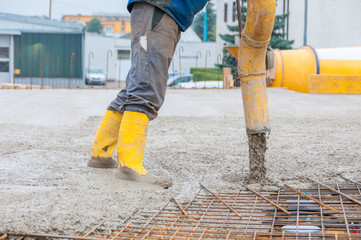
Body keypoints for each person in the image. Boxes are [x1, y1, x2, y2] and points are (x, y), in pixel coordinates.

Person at [88, 0, 208, 188]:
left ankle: (101, 153)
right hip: (159, 13)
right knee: (145, 86)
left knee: (138, 83)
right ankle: (130, 166)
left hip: (157, 14)